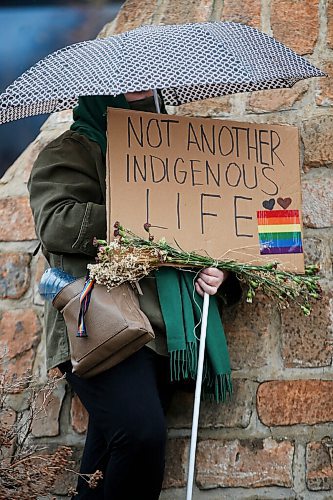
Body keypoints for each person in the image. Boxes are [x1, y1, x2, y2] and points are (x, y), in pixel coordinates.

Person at [28, 90, 241, 500]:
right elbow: (54, 223)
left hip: (161, 331)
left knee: (110, 454)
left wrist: (222, 276)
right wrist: (137, 210)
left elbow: (203, 231)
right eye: (131, 90)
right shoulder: (73, 150)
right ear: (104, 92)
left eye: (149, 89)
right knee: (140, 435)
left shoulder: (176, 157)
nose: (140, 97)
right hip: (96, 322)